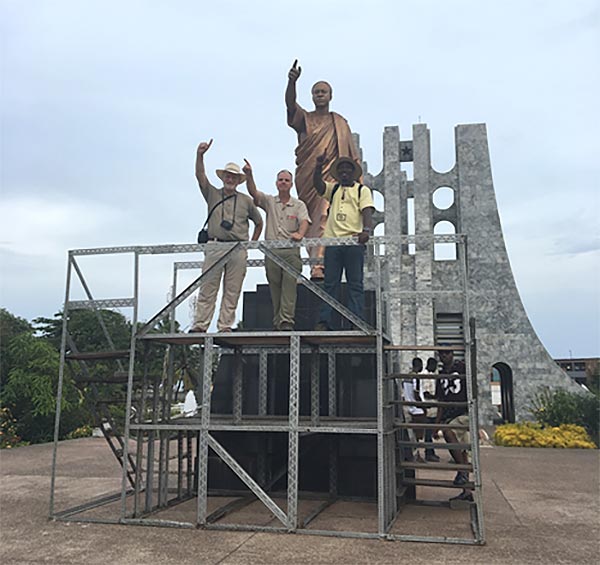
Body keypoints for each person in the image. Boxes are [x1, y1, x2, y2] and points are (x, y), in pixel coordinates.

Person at [286, 59, 361, 279]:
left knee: (326, 213)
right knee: (311, 220)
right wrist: (291, 83)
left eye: (324, 92)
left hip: (333, 178)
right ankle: (315, 262)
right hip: (309, 178)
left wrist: (359, 184)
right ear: (311, 96)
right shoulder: (305, 119)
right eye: (316, 91)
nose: (320, 94)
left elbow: (352, 155)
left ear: (330, 96)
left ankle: (320, 265)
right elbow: (290, 106)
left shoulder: (340, 123)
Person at [189, 139, 263, 333]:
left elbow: (259, 222)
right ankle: (200, 325)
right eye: (228, 176)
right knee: (208, 288)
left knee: (232, 290)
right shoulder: (212, 193)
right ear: (223, 178)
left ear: (239, 180)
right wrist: (200, 155)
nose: (230, 179)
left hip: (238, 248)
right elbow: (200, 176)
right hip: (214, 245)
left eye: (234, 177)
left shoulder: (246, 201)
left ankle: (225, 326)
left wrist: (250, 245)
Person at [243, 161, 310, 331]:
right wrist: (249, 175)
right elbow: (254, 193)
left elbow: (304, 221)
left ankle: (286, 321)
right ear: (276, 183)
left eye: (287, 180)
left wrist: (300, 234)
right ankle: (277, 321)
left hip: (290, 250)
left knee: (289, 285)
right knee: (274, 286)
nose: (283, 183)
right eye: (280, 180)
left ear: (291, 184)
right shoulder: (270, 201)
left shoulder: (299, 204)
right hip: (272, 251)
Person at [312, 155, 374, 330]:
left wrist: (366, 231)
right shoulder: (334, 189)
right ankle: (325, 322)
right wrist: (318, 167)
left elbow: (367, 212)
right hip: (333, 243)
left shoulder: (362, 190)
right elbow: (318, 185)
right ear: (337, 173)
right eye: (341, 169)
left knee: (355, 283)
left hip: (353, 242)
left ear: (354, 173)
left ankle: (356, 321)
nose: (344, 171)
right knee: (330, 284)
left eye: (348, 168)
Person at [435, 348, 472, 502]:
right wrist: (436, 423)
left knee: (448, 432)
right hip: (451, 415)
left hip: (464, 413)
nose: (444, 356)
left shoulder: (462, 368)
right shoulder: (441, 374)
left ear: (452, 354)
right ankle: (466, 491)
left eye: (447, 353)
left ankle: (462, 472)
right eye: (441, 353)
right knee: (462, 452)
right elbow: (441, 401)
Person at [403, 357, 427, 462]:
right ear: (419, 365)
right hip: (417, 410)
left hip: (408, 408)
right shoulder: (416, 377)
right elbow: (416, 393)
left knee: (411, 434)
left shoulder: (406, 377)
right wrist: (423, 406)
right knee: (418, 435)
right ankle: (417, 456)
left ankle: (415, 455)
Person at [420, 357, 441, 462]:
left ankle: (431, 452)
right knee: (428, 432)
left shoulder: (433, 375)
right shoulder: (425, 375)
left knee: (432, 431)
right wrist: (437, 397)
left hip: (434, 408)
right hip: (428, 407)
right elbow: (425, 393)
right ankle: (428, 453)